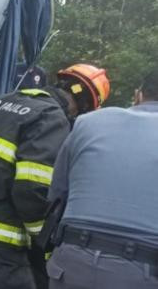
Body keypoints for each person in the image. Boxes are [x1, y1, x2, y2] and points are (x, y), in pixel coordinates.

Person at [0, 63, 110, 289]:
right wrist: (46, 240)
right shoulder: (51, 117)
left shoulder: (3, 101)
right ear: (85, 105)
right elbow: (33, 188)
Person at [45, 68, 158, 289]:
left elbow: (56, 194)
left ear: (138, 95)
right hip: (142, 272)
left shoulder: (88, 123)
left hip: (70, 264)